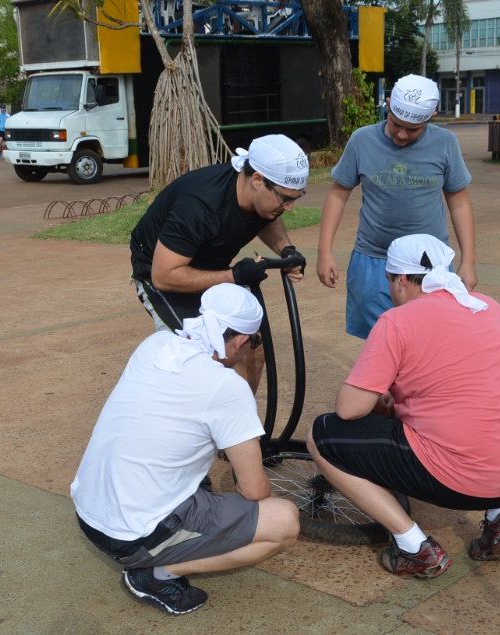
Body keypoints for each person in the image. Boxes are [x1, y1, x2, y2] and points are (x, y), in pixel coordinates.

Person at [306, 234, 500, 579]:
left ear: (401, 279)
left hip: (460, 482)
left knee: (323, 433)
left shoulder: (398, 320)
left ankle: (414, 547)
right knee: (491, 413)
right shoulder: (488, 306)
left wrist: (383, 400)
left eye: (390, 280)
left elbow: (349, 409)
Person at [71, 283, 300, 615]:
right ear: (239, 341)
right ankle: (157, 574)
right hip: (131, 537)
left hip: (91, 514)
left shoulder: (156, 343)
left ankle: (161, 553)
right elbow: (253, 490)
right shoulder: (228, 387)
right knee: (284, 521)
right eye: (254, 342)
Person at [130, 133, 309, 391]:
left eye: (295, 198)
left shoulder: (260, 197)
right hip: (162, 273)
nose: (289, 207)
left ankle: (237, 425)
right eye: (286, 198)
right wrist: (233, 276)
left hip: (209, 267)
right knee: (199, 355)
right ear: (258, 180)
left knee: (250, 345)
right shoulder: (200, 205)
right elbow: (164, 275)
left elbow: (268, 214)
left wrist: (286, 250)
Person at [316, 74, 478, 340]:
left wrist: (468, 262)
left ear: (431, 116)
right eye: (395, 124)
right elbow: (337, 194)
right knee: (379, 340)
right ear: (388, 105)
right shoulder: (362, 140)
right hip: (373, 260)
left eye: (413, 129)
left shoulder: (445, 143)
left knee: (429, 341)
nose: (401, 135)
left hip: (428, 266)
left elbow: (459, 203)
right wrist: (324, 252)